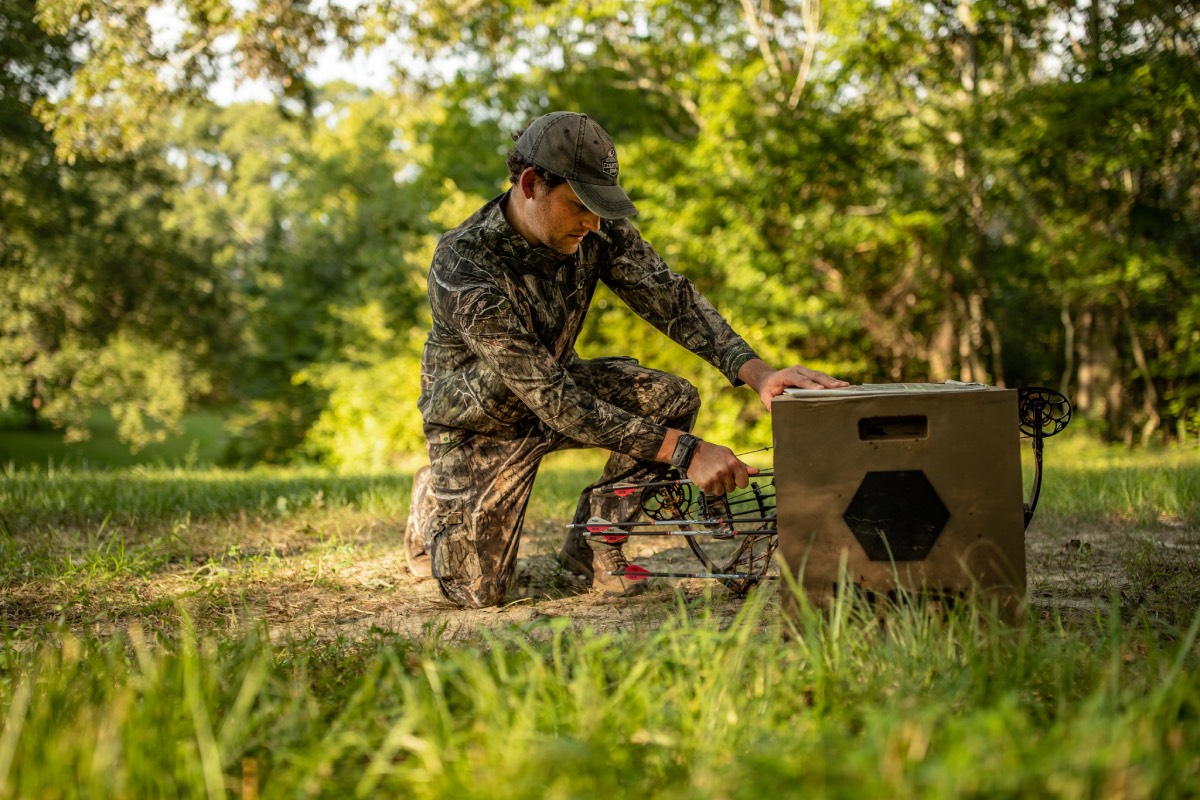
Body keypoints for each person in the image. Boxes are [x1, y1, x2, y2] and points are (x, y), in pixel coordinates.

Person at [406, 111, 846, 609]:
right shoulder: (463, 263)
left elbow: (670, 298)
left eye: (599, 208)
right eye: (578, 206)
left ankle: (596, 548)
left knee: (671, 399)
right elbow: (552, 397)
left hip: (557, 386)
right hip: (478, 426)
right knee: (478, 593)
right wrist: (686, 451)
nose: (593, 223)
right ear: (531, 184)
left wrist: (759, 373)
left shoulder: (596, 228)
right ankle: (434, 499)